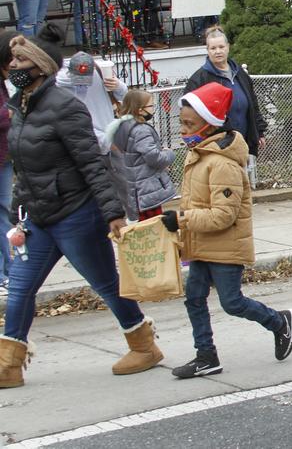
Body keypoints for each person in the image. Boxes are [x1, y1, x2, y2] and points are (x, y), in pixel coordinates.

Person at [0, 33, 163, 388]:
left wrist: (113, 214)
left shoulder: (65, 107)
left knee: (107, 285)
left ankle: (144, 346)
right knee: (19, 290)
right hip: (40, 219)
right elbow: (24, 168)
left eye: (21, 62)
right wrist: (18, 211)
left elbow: (93, 164)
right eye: (12, 62)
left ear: (41, 67)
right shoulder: (20, 106)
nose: (13, 67)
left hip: (78, 215)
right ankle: (8, 366)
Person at [162, 82, 292, 378]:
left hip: (225, 247)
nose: (182, 130)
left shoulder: (223, 164)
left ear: (209, 124)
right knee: (194, 298)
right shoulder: (197, 154)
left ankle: (279, 322)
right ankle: (206, 356)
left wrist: (181, 219)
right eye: (181, 123)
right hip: (201, 245)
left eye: (188, 124)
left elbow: (223, 216)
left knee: (232, 303)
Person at [55, 49, 130, 213]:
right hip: (86, 146)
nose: (84, 82)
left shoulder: (100, 71)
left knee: (126, 190)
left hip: (111, 142)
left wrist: (117, 86)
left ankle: (131, 222)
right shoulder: (58, 84)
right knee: (97, 195)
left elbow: (125, 98)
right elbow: (71, 121)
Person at [185, 27, 267, 159]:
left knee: (243, 178)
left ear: (228, 47)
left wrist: (259, 132)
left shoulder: (240, 73)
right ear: (207, 50)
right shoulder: (199, 79)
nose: (218, 51)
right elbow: (189, 115)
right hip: (217, 147)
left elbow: (253, 104)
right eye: (213, 48)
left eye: (221, 47)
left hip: (244, 142)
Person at [105, 89, 175, 222]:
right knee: (154, 224)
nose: (154, 109)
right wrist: (169, 154)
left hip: (136, 187)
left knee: (143, 223)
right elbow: (153, 157)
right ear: (140, 110)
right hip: (147, 188)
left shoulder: (123, 127)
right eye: (151, 106)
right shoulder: (141, 130)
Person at [0, 30, 16, 296]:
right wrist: (14, 112)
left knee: (4, 212)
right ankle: (7, 270)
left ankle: (9, 269)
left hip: (6, 156)